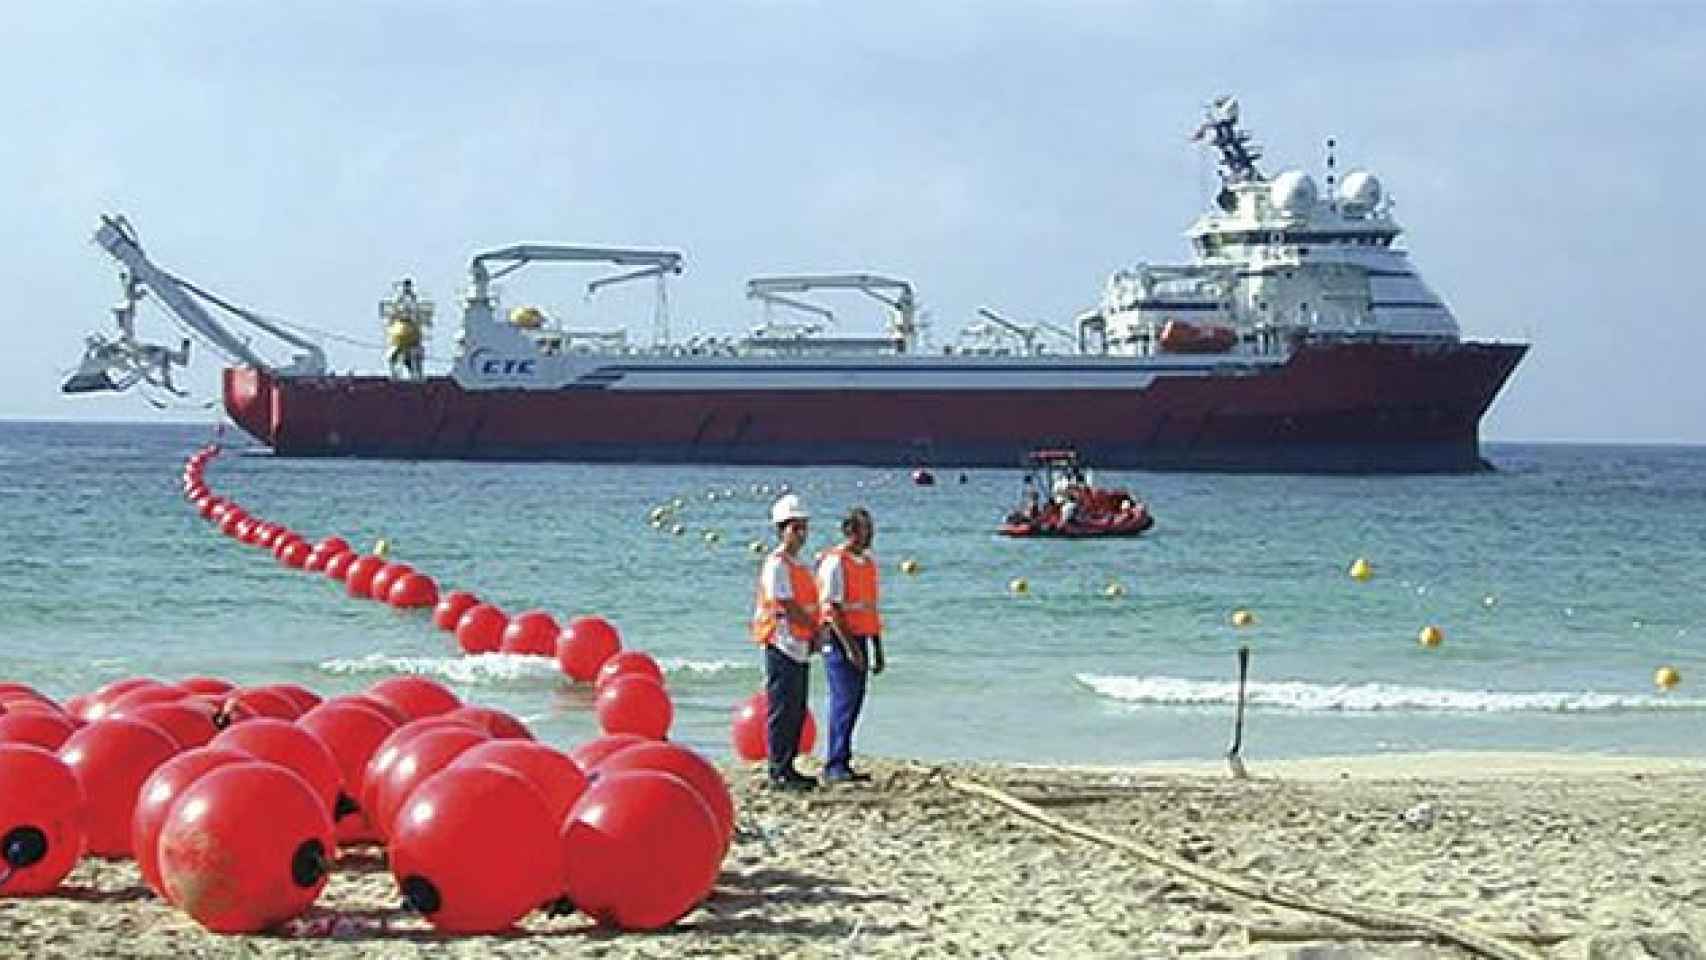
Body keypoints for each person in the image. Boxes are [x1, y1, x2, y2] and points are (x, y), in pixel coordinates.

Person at [751, 494, 821, 791]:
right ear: (782, 529)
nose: (801, 534)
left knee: (796, 707)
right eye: (795, 527)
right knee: (782, 708)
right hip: (781, 641)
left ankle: (789, 765)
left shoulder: (798, 565)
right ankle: (778, 768)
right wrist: (814, 629)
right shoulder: (777, 564)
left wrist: (814, 632)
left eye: (803, 527)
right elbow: (787, 604)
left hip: (799, 643)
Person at [816, 507, 885, 784]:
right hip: (839, 638)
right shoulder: (835, 562)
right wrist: (850, 648)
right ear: (851, 532)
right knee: (843, 700)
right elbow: (832, 609)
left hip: (862, 636)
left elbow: (870, 608)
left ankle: (843, 759)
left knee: (854, 701)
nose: (870, 537)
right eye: (865, 530)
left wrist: (877, 648)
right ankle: (835, 764)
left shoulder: (867, 564)